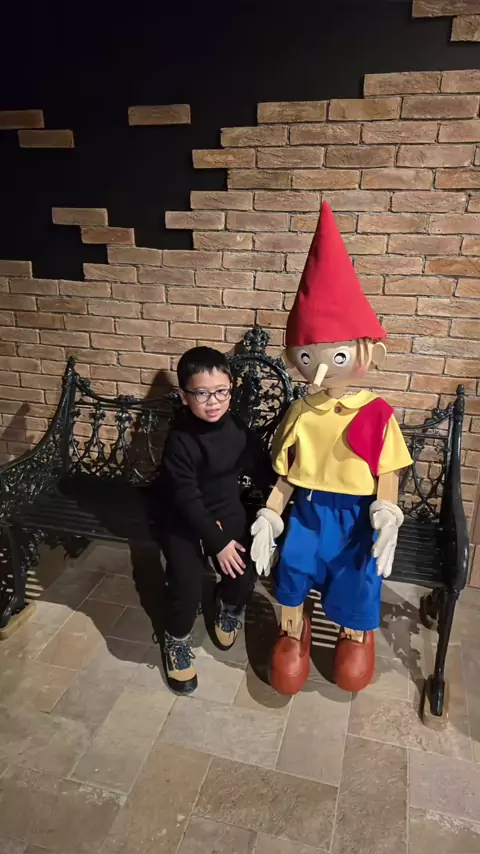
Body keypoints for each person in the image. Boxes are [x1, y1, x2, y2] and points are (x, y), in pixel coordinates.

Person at [250, 201, 413, 696]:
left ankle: (354, 631)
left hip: (356, 516)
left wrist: (387, 511)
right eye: (306, 356)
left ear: (366, 352)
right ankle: (292, 630)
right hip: (308, 511)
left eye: (336, 354)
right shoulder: (300, 413)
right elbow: (287, 474)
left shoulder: (376, 413)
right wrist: (270, 514)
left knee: (356, 572)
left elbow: (388, 471)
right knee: (294, 565)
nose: (319, 369)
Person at [157, 346, 270, 694]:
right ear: (184, 396)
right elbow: (185, 498)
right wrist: (216, 541)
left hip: (225, 509)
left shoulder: (238, 430)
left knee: (244, 564)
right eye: (202, 393)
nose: (213, 402)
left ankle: (229, 604)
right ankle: (176, 638)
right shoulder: (180, 439)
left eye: (221, 391)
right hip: (182, 516)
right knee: (187, 583)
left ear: (230, 389)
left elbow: (264, 470)